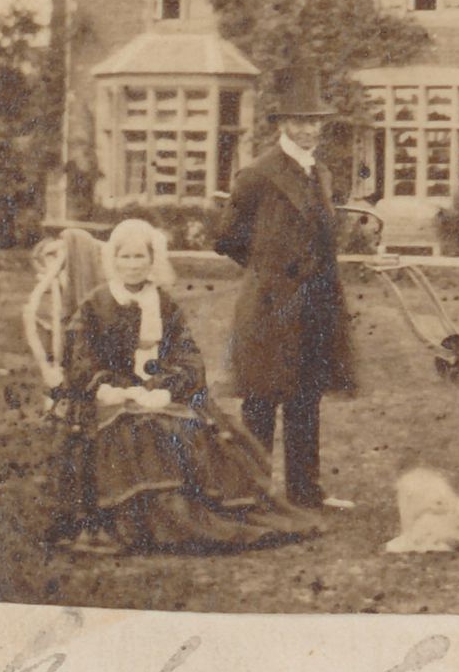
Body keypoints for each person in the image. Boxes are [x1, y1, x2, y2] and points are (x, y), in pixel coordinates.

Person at [53, 219, 314, 552]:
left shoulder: (164, 303)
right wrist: (107, 386)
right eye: (125, 257)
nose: (133, 265)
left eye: (140, 257)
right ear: (113, 261)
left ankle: (192, 517)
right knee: (138, 428)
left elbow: (189, 357)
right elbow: (79, 359)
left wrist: (165, 387)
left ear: (152, 261)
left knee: (188, 424)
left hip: (160, 388)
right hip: (109, 392)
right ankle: (149, 522)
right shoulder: (96, 303)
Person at [215, 64, 356, 510]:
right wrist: (268, 273)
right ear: (283, 125)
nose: (308, 129)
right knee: (261, 400)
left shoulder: (322, 174)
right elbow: (227, 239)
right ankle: (252, 493)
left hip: (316, 302)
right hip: (271, 304)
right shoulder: (258, 174)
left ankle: (305, 490)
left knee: (306, 397)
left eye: (315, 121)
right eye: (299, 120)